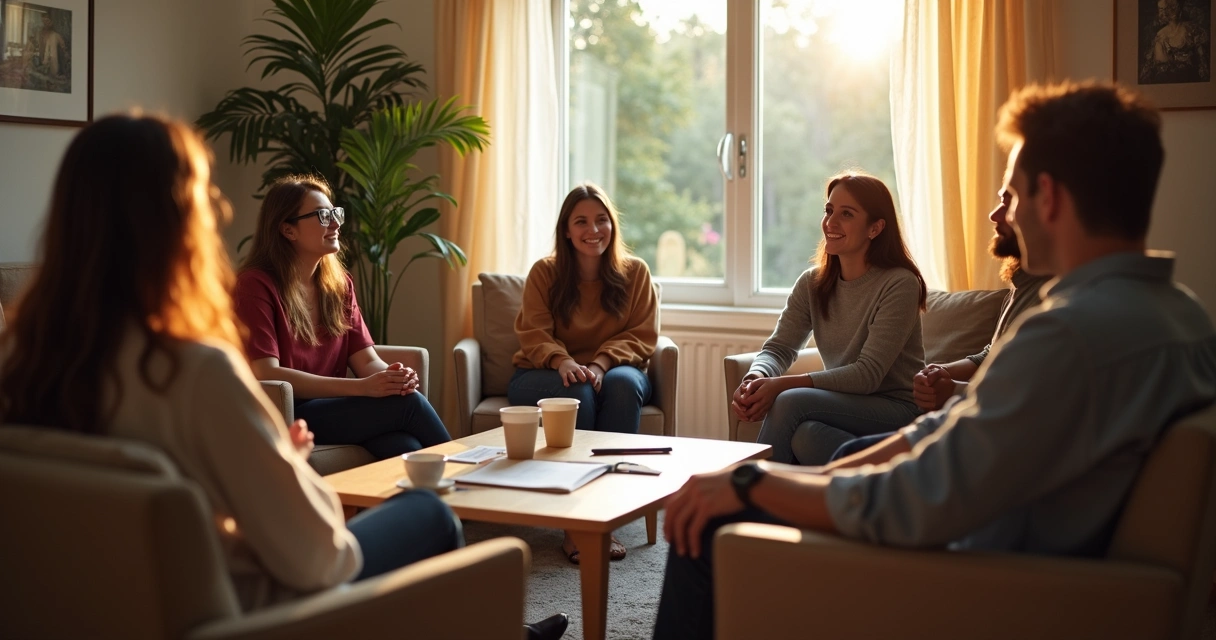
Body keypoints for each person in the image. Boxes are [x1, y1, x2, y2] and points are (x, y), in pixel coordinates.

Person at [652, 81, 1216, 640]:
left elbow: (911, 500)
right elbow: (947, 428)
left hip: (976, 581)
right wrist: (802, 480)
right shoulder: (1184, 317)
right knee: (821, 462)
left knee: (707, 526)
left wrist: (751, 483)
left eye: (1013, 197)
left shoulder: (1065, 336)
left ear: (1051, 198)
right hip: (1025, 549)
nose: (1006, 217)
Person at [0, 114, 568, 640]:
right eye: (204, 196)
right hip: (252, 612)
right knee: (427, 511)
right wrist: (291, 466)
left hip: (116, 608)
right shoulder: (193, 371)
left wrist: (362, 391)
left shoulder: (21, 358)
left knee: (397, 443)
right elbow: (321, 558)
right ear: (180, 221)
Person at [234, 176, 451, 461]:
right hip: (288, 413)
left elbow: (366, 360)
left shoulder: (339, 285)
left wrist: (391, 377)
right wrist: (361, 388)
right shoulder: (254, 286)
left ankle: (436, 500)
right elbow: (267, 373)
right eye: (323, 216)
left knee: (404, 445)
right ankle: (469, 476)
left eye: (335, 213)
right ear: (288, 230)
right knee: (408, 406)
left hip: (333, 407)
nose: (335, 223)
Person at [830, 186, 1053, 460]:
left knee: (800, 410)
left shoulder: (1057, 302)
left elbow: (1029, 401)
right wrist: (942, 371)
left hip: (995, 445)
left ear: (1049, 207)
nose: (994, 215)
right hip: (960, 422)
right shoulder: (1024, 284)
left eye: (1009, 202)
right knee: (825, 442)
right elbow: (991, 356)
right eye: (828, 211)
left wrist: (954, 390)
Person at [509, 182, 659, 564]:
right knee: (578, 394)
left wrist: (600, 363)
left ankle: (607, 510)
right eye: (581, 222)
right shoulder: (545, 273)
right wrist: (563, 361)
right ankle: (576, 525)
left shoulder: (635, 273)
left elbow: (642, 335)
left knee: (623, 385)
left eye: (601, 220)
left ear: (612, 224)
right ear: (566, 230)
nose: (593, 230)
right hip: (543, 372)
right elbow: (533, 333)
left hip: (614, 370)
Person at [733, 171, 927, 465]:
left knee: (789, 401)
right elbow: (779, 348)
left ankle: (746, 499)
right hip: (844, 403)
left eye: (846, 214)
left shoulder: (900, 283)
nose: (830, 222)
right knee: (806, 437)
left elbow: (867, 374)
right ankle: (872, 486)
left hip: (896, 408)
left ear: (875, 228)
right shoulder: (812, 283)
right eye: (829, 210)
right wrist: (757, 377)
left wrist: (783, 385)